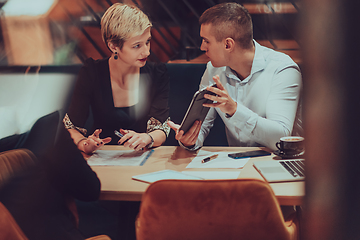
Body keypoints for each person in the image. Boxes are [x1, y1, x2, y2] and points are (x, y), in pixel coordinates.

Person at [168, 2, 302, 151]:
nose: (202, 47)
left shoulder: (282, 69)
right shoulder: (213, 69)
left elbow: (280, 138)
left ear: (228, 45)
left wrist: (234, 110)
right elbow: (201, 126)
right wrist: (190, 140)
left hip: (278, 162)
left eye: (206, 41)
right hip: (236, 161)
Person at [63, 3, 170, 154]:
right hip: (101, 157)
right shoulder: (91, 72)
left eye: (147, 41)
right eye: (136, 46)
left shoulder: (157, 73)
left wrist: (147, 138)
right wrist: (85, 143)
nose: (146, 51)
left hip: (142, 157)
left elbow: (161, 128)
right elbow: (71, 127)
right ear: (114, 46)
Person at [0, 125, 103, 240]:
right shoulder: (47, 123)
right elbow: (90, 189)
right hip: (46, 232)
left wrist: (82, 141)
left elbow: (69, 127)